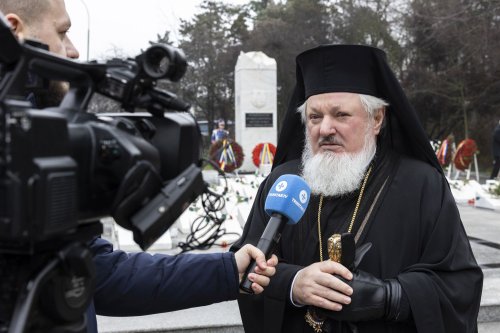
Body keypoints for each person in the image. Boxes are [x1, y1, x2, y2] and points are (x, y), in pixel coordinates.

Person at [0, 1, 278, 332]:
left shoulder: (46, 146)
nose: (73, 52)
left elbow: (101, 274)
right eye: (63, 33)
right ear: (14, 29)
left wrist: (227, 270)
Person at [231, 44, 483, 332]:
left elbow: (459, 284)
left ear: (376, 119)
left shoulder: (423, 185)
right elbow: (244, 268)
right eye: (315, 117)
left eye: (341, 115)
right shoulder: (282, 183)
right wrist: (293, 284)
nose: (325, 128)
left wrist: (390, 297)